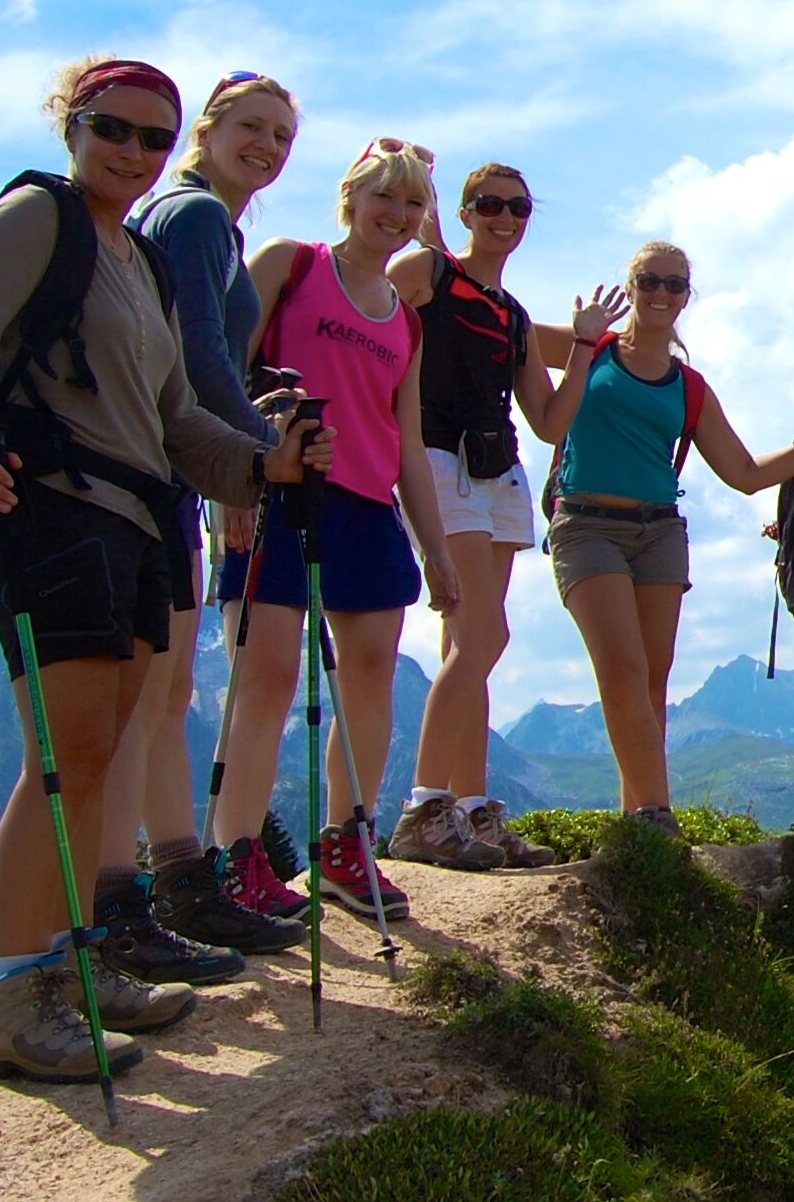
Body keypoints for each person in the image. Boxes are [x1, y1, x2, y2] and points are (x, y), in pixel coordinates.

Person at [0, 56, 327, 1085]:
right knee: (62, 760)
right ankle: (17, 991)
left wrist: (259, 462)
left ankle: (77, 966)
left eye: (152, 136)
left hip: (133, 519)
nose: (133, 152)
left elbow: (174, 412)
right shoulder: (34, 218)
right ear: (72, 123)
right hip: (51, 509)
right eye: (114, 128)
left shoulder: (132, 257)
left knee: (96, 754)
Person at [204, 139, 460, 925]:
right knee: (269, 676)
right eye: (384, 195)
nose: (397, 214)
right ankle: (236, 855)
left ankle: (348, 845)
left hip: (367, 506)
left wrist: (437, 551)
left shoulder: (405, 323)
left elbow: (406, 441)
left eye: (412, 203)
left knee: (373, 670)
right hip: (279, 489)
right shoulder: (290, 265)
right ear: (349, 196)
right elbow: (221, 367)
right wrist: (233, 483)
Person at [545, 240, 794, 833]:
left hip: (659, 532)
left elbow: (745, 474)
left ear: (687, 296)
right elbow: (491, 314)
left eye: (674, 285)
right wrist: (432, 235)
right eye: (649, 281)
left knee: (651, 679)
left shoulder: (690, 387)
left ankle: (636, 818)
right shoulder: (590, 347)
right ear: (629, 286)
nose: (661, 293)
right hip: (585, 527)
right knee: (623, 669)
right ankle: (659, 816)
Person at [119, 71, 308, 963]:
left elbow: (203, 353)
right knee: (149, 693)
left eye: (281, 136)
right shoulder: (192, 218)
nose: (267, 147)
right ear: (209, 126)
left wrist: (257, 404)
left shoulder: (211, 229)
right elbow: (194, 355)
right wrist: (246, 468)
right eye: (253, 127)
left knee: (164, 691)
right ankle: (140, 900)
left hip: (170, 463)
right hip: (158, 466)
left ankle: (174, 886)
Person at [385, 164, 611, 871]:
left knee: (472, 646)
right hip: (437, 458)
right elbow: (375, 301)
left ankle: (472, 810)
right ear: (462, 212)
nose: (504, 217)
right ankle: (425, 809)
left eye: (517, 206)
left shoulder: (510, 314)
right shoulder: (430, 273)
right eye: (488, 205)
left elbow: (549, 421)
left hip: (497, 470)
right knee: (483, 633)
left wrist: (581, 346)